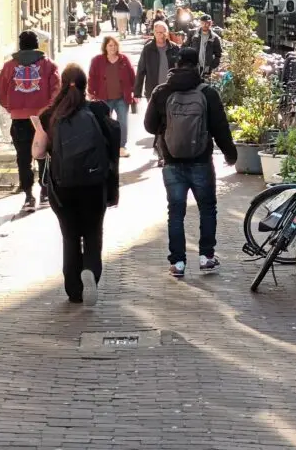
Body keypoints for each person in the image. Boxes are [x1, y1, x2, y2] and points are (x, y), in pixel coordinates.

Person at [30, 64, 120, 306]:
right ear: (85, 85)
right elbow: (112, 143)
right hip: (94, 184)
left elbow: (38, 153)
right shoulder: (99, 110)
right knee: (93, 233)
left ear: (63, 85)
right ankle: (90, 269)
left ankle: (73, 290)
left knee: (70, 237)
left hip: (63, 187)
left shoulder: (50, 115)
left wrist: (39, 130)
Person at [144, 48, 237, 278]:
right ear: (197, 65)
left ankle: (177, 263)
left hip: (172, 161)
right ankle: (206, 256)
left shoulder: (161, 92)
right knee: (207, 208)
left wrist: (166, 131)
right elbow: (220, 128)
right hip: (201, 161)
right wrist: (230, 154)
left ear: (177, 63)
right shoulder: (207, 93)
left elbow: (148, 125)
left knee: (175, 212)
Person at [0, 31, 60, 211]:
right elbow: (56, 89)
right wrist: (48, 110)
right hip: (41, 120)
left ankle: (28, 196)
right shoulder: (48, 65)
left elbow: (0, 89)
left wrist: (11, 107)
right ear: (37, 45)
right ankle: (45, 191)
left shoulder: (9, 66)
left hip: (19, 120)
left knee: (23, 158)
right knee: (44, 155)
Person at [135, 20, 180, 166]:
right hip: (153, 91)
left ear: (167, 33)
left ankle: (162, 150)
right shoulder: (148, 49)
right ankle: (161, 151)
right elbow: (141, 70)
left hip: (171, 90)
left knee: (168, 121)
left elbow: (180, 69)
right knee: (159, 121)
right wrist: (137, 92)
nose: (160, 35)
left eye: (163, 32)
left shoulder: (174, 49)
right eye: (158, 32)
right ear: (154, 33)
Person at [88, 35, 137, 157]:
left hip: (122, 98)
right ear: (105, 47)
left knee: (122, 123)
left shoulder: (124, 59)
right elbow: (92, 77)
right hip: (104, 98)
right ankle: (106, 146)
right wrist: (91, 92)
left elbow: (132, 76)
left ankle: (121, 147)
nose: (113, 47)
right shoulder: (97, 60)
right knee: (105, 123)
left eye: (115, 45)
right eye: (110, 45)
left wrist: (135, 92)